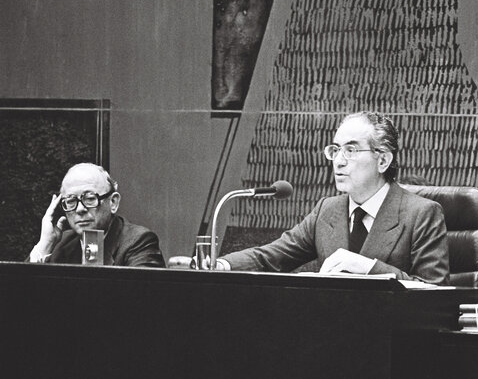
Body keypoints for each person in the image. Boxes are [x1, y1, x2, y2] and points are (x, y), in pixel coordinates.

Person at [214, 112, 449, 284]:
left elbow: (434, 290)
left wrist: (369, 268)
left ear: (383, 160)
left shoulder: (421, 213)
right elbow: (270, 257)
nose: (339, 161)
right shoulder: (328, 210)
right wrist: (217, 265)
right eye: (335, 150)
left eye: (351, 150)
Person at [28, 163, 165, 267]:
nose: (80, 209)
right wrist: (45, 244)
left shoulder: (138, 241)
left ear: (113, 202)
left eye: (89, 198)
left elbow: (143, 300)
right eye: (71, 201)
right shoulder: (60, 244)